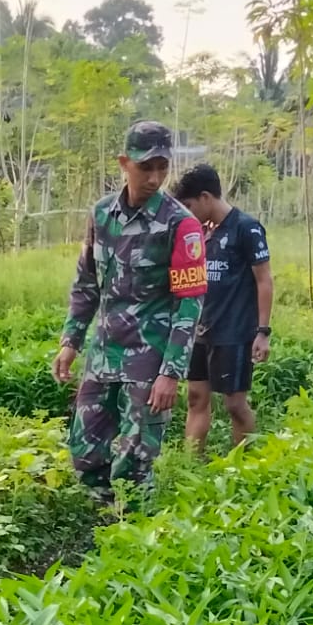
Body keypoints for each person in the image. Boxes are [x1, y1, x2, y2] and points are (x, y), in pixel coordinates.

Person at [53, 121, 207, 501]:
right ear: (125, 162)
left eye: (162, 168)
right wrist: (71, 341)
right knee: (85, 450)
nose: (155, 178)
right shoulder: (102, 214)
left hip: (148, 360)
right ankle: (102, 528)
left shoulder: (180, 224)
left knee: (136, 461)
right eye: (145, 167)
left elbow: (190, 305)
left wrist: (171, 373)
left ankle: (135, 542)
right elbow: (86, 282)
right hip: (105, 353)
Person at [170, 163, 273, 453]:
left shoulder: (246, 228)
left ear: (205, 197)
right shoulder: (200, 234)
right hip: (200, 330)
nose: (186, 213)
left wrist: (262, 332)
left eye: (189, 205)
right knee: (195, 397)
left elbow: (264, 281)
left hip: (235, 331)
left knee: (234, 404)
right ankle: (191, 465)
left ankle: (243, 467)